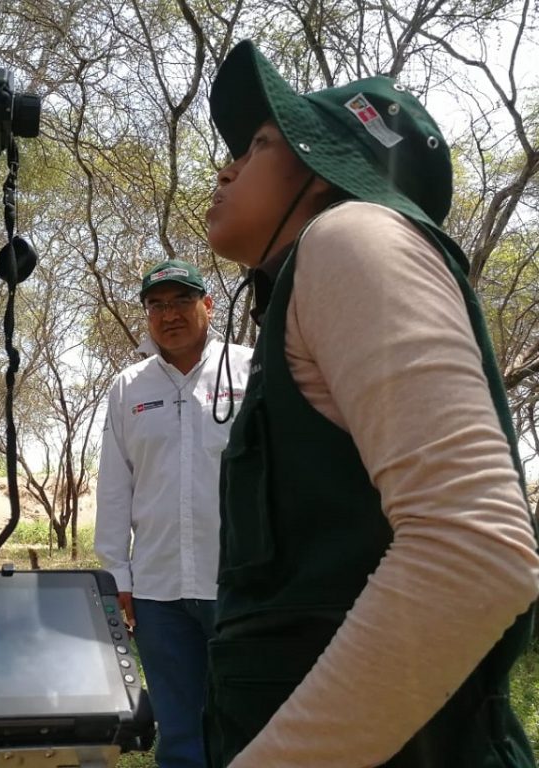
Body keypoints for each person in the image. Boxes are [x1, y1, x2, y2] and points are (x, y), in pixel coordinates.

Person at [202, 40, 539, 767]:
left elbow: (475, 553)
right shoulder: (314, 280)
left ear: (324, 173)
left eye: (260, 145)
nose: (226, 168)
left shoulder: (352, 235)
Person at [95, 260, 251, 768]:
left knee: (249, 725)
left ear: (208, 305)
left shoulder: (250, 370)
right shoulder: (129, 387)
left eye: (182, 300)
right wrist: (117, 574)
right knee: (180, 733)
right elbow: (115, 486)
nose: (169, 315)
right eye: (156, 305)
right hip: (157, 593)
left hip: (240, 584)